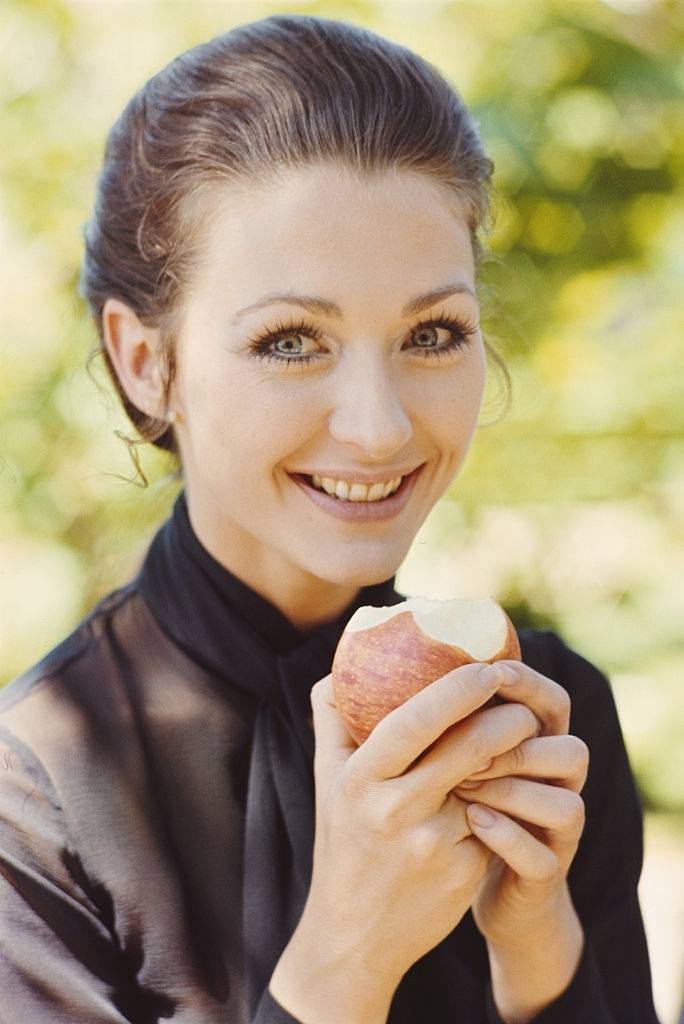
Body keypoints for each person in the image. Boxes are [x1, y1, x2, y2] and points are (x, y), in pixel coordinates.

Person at [0, 13, 660, 1024]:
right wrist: (346, 962)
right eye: (291, 340)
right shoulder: (36, 802)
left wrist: (535, 941)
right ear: (148, 361)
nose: (379, 424)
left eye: (433, 332)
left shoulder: (547, 710)